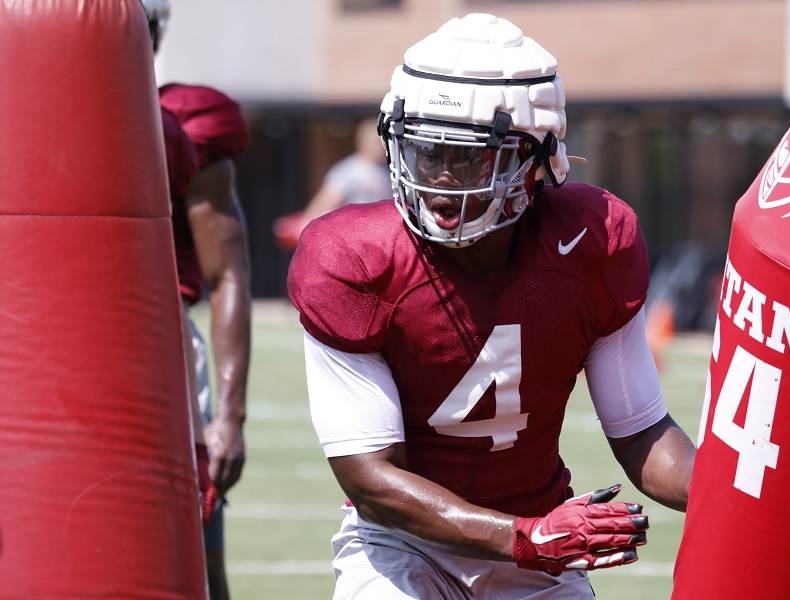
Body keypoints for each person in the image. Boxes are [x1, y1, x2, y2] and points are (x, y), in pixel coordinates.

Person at [287, 13, 696, 599]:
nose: (443, 180)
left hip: (538, 537)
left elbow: (641, 432)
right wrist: (527, 536)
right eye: (427, 153)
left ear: (538, 160)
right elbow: (372, 478)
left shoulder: (592, 244)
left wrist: (733, 494)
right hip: (405, 541)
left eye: (472, 158)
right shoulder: (353, 257)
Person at [142, 2, 252, 599]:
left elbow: (228, 274)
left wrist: (228, 416)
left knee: (198, 559)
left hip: (162, 352)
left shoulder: (185, 124)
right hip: (36, 343)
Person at [272, 117, 392, 251]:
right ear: (362, 143)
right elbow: (323, 203)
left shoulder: (389, 170)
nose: (380, 147)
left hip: (381, 236)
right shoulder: (348, 170)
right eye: (375, 142)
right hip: (355, 237)